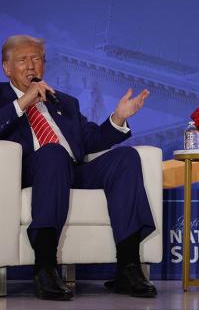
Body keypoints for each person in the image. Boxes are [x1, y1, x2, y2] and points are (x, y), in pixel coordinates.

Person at [0, 35, 157, 300]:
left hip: (71, 170)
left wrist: (119, 117)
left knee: (126, 158)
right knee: (53, 154)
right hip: (29, 173)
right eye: (22, 60)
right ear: (6, 67)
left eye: (36, 59)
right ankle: (46, 268)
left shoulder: (64, 102)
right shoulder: (3, 98)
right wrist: (24, 101)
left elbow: (90, 140)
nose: (31, 66)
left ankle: (128, 268)